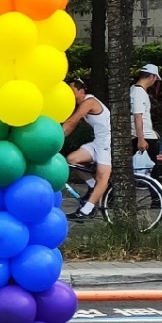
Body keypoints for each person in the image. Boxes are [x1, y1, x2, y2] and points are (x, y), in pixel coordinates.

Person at [62, 78, 112, 221]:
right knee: (72, 159)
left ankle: (87, 210)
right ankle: (93, 187)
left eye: (72, 91)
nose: (69, 94)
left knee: (102, 177)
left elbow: (72, 121)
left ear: (82, 91)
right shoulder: (84, 103)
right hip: (98, 141)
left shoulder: (89, 102)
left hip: (107, 142)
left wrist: (55, 140)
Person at [130, 64, 161, 162]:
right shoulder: (139, 92)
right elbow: (138, 116)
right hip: (145, 137)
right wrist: (141, 140)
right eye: (155, 78)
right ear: (152, 76)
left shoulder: (133, 89)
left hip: (144, 134)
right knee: (150, 168)